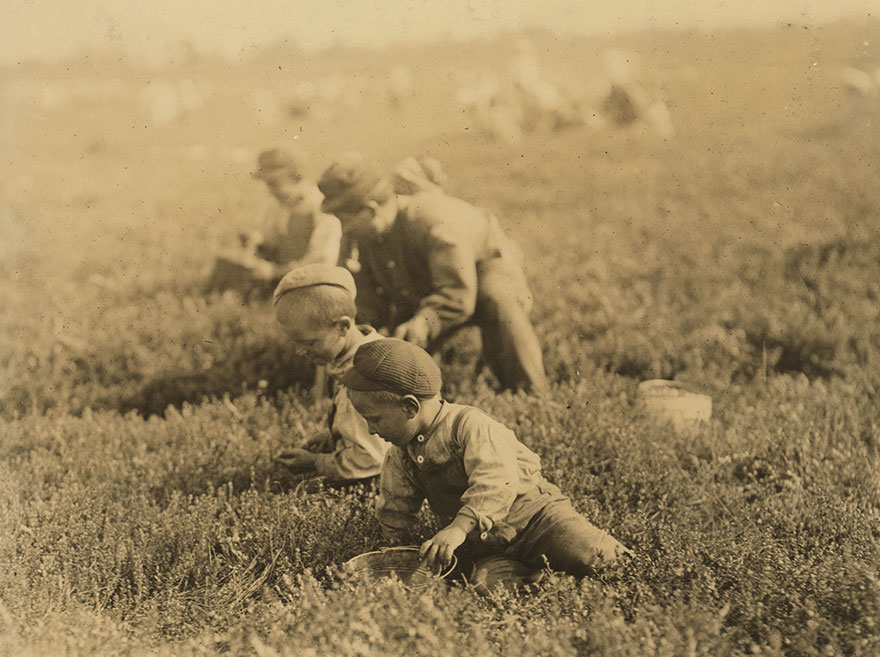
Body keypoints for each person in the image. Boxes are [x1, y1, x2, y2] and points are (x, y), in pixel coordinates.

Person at [342, 338, 632, 594]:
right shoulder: (399, 455)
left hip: (539, 520)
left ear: (409, 407)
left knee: (594, 557)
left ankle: (619, 566)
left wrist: (458, 528)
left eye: (375, 419)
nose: (369, 430)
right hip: (491, 545)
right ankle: (542, 576)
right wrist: (392, 553)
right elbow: (396, 506)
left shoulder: (470, 426)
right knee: (485, 587)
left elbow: (496, 481)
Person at [317, 151, 549, 394]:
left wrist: (424, 323)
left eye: (345, 219)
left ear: (371, 210)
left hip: (484, 265)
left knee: (496, 300)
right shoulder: (362, 235)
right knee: (397, 342)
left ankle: (528, 391)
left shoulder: (431, 221)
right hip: (426, 279)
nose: (344, 228)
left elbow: (458, 293)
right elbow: (364, 299)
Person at [271, 264, 389, 483]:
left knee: (303, 493)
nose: (300, 351)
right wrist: (331, 438)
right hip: (381, 464)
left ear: (343, 326)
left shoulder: (364, 376)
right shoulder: (359, 352)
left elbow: (373, 460)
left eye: (309, 343)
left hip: (386, 478)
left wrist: (316, 462)